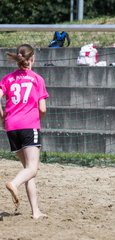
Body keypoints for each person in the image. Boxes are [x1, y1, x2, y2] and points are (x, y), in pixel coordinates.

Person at [0, 44, 49, 219]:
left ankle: (35, 211)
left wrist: (2, 116)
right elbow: (42, 109)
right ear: (32, 58)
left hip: (11, 127)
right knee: (33, 169)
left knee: (28, 169)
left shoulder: (7, 79)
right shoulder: (37, 79)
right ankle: (14, 183)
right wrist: (36, 120)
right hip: (29, 126)